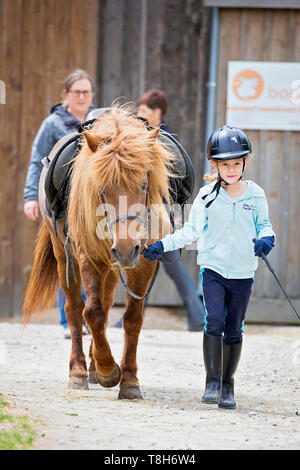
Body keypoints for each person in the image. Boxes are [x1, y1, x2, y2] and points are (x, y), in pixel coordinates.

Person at [143, 125, 275, 409]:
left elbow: (265, 225)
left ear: (244, 163)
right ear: (215, 165)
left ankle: (228, 385)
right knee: (213, 320)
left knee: (234, 328)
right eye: (224, 164)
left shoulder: (256, 195)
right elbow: (190, 231)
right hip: (213, 270)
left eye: (236, 163)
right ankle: (212, 382)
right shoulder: (206, 196)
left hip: (242, 274)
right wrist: (161, 245)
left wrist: (266, 240)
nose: (230, 169)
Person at [24, 69, 95, 338]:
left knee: (90, 258)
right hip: (60, 203)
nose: (80, 96)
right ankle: (70, 320)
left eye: (85, 92)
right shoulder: (53, 123)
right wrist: (31, 197)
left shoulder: (98, 121)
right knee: (65, 257)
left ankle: (90, 313)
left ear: (91, 95)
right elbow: (36, 160)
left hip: (90, 206)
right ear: (66, 95)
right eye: (76, 91)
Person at [136, 89, 205, 331]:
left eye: (143, 111)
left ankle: (198, 318)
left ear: (157, 113)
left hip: (162, 214)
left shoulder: (163, 140)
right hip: (161, 213)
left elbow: (171, 182)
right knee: (153, 263)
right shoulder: (159, 137)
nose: (138, 115)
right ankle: (196, 317)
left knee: (167, 263)